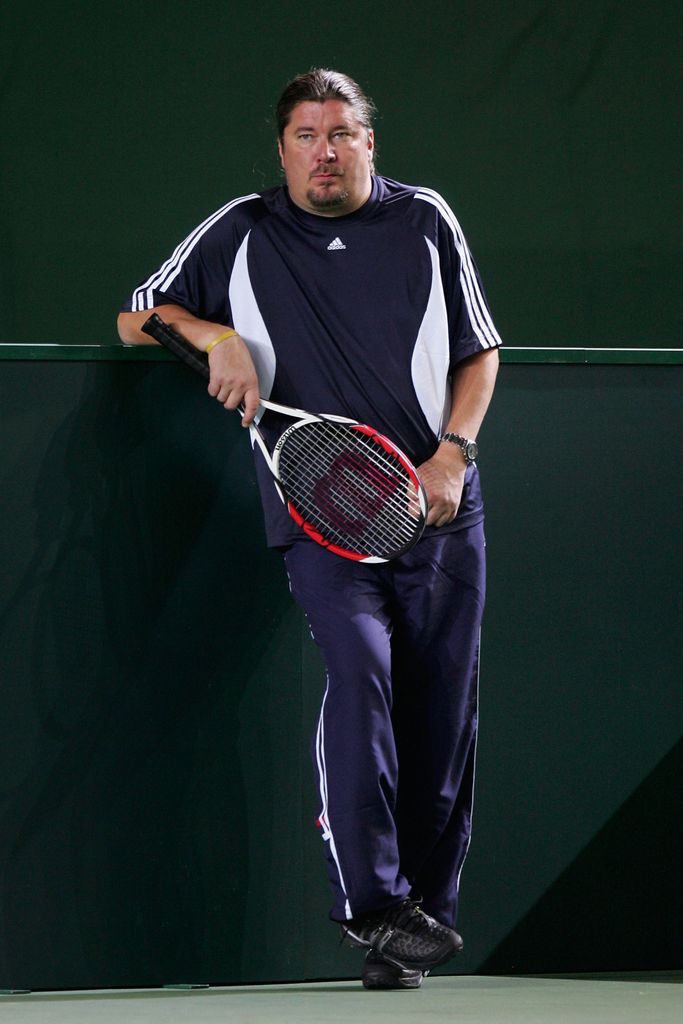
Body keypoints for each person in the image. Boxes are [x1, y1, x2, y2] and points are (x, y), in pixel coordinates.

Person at [118, 68, 501, 990]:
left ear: (371, 141)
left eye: (341, 134)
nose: (324, 152)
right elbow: (138, 317)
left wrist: (451, 453)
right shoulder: (241, 230)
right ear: (282, 147)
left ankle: (415, 929)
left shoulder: (425, 219)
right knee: (361, 680)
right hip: (319, 513)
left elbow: (479, 348)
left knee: (441, 717)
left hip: (435, 507)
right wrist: (212, 338)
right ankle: (373, 903)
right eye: (305, 136)